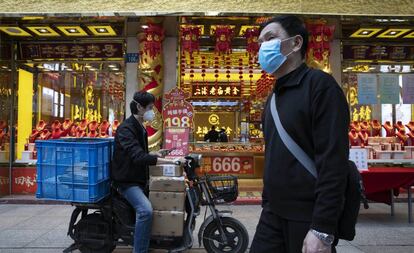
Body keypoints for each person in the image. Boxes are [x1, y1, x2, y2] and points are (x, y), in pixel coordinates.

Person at [250, 15, 349, 253]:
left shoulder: (320, 87)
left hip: (307, 216)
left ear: (296, 44)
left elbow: (333, 161)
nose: (264, 46)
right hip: (272, 214)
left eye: (271, 38)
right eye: (261, 42)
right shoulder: (273, 97)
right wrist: (266, 202)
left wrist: (322, 228)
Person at [111, 91, 185, 253]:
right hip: (126, 182)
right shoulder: (126, 129)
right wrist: (171, 162)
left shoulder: (140, 127)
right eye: (150, 108)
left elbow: (141, 153)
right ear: (139, 107)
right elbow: (137, 157)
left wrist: (156, 154)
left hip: (138, 178)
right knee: (145, 211)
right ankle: (140, 250)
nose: (153, 112)